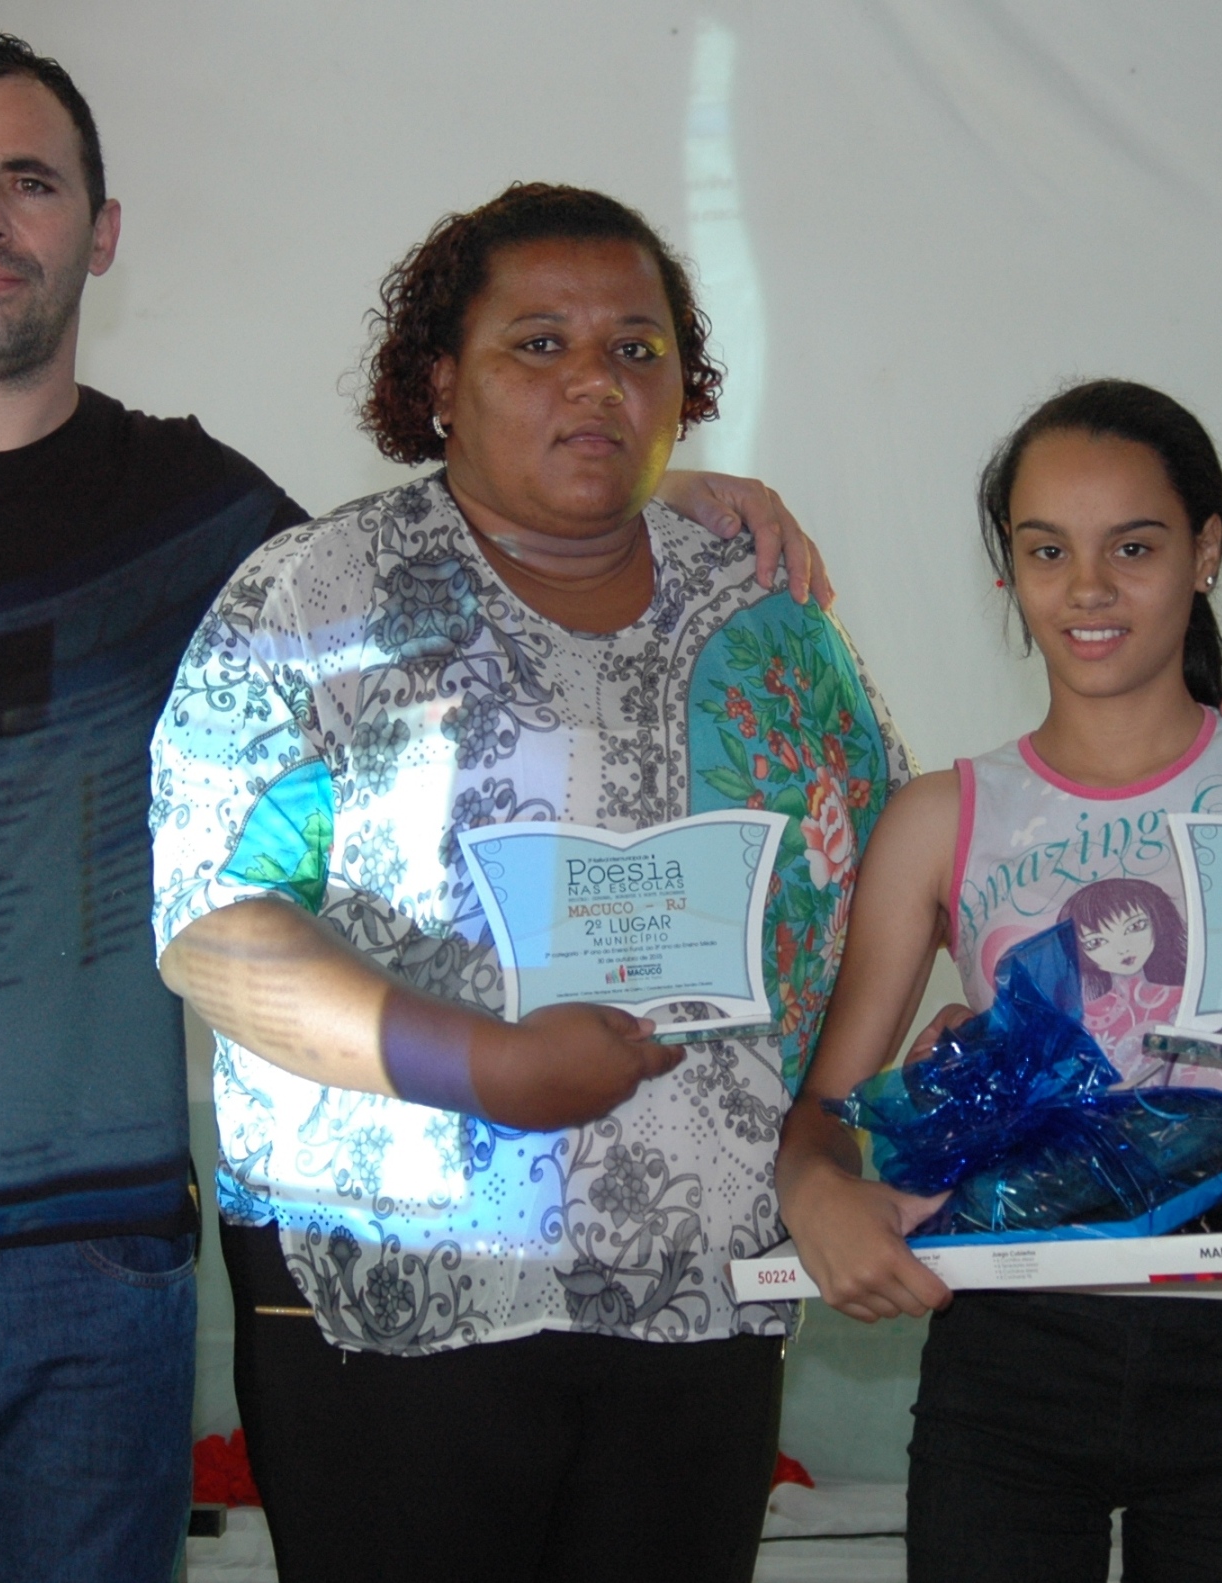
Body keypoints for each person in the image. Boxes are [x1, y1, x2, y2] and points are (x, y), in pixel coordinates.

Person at [0, 38, 817, 1583]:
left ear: (101, 230)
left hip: (97, 1283)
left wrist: (638, 489)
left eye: (31, 182)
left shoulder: (204, 514)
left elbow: (449, 552)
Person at [150, 181, 909, 1583]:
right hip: (391, 1299)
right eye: (538, 344)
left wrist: (822, 1131)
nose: (594, 382)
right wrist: (484, 1063)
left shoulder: (763, 613)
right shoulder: (319, 596)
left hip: (702, 1294)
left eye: (635, 348)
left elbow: (889, 875)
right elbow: (216, 924)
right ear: (441, 380)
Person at [774, 380, 1222, 1583]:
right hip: (1009, 1351)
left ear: (1205, 551)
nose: (1088, 588)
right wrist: (815, 1185)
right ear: (1009, 571)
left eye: (1135, 547)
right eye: (1047, 550)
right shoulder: (941, 816)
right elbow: (826, 1106)